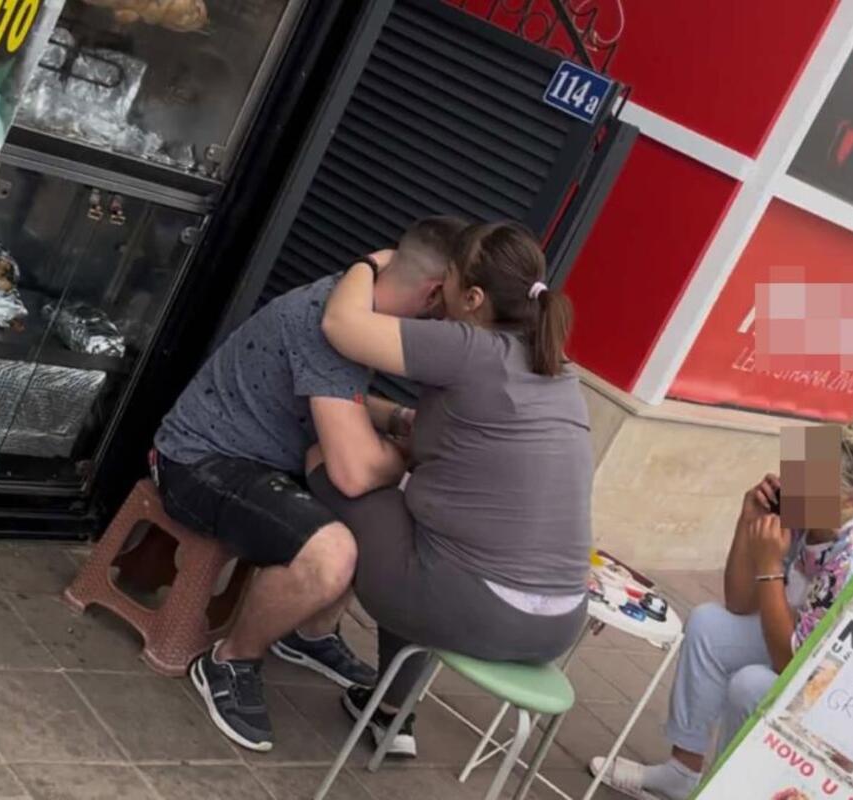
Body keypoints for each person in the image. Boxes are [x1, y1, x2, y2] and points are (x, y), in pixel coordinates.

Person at [152, 216, 469, 752]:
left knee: (380, 521)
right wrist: (413, 453)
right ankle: (230, 660)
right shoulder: (333, 323)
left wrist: (395, 419)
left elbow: (332, 393)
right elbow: (352, 469)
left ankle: (308, 634)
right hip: (198, 460)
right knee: (332, 550)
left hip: (264, 459)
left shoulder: (359, 307)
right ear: (436, 293)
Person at [306, 220, 593, 757]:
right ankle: (391, 715)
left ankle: (302, 611)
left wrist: (371, 263)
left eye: (450, 278)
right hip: (559, 625)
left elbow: (340, 323)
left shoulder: (471, 346)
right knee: (426, 542)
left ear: (474, 298)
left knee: (328, 460)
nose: (440, 291)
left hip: (478, 611)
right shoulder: (559, 369)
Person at [588, 415, 853, 800]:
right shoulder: (809, 516)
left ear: (850, 501)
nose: (794, 489)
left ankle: (723, 792)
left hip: (842, 700)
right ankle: (681, 773)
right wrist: (748, 518)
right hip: (803, 651)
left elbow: (789, 665)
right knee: (708, 623)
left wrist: (770, 566)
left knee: (752, 685)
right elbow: (739, 603)